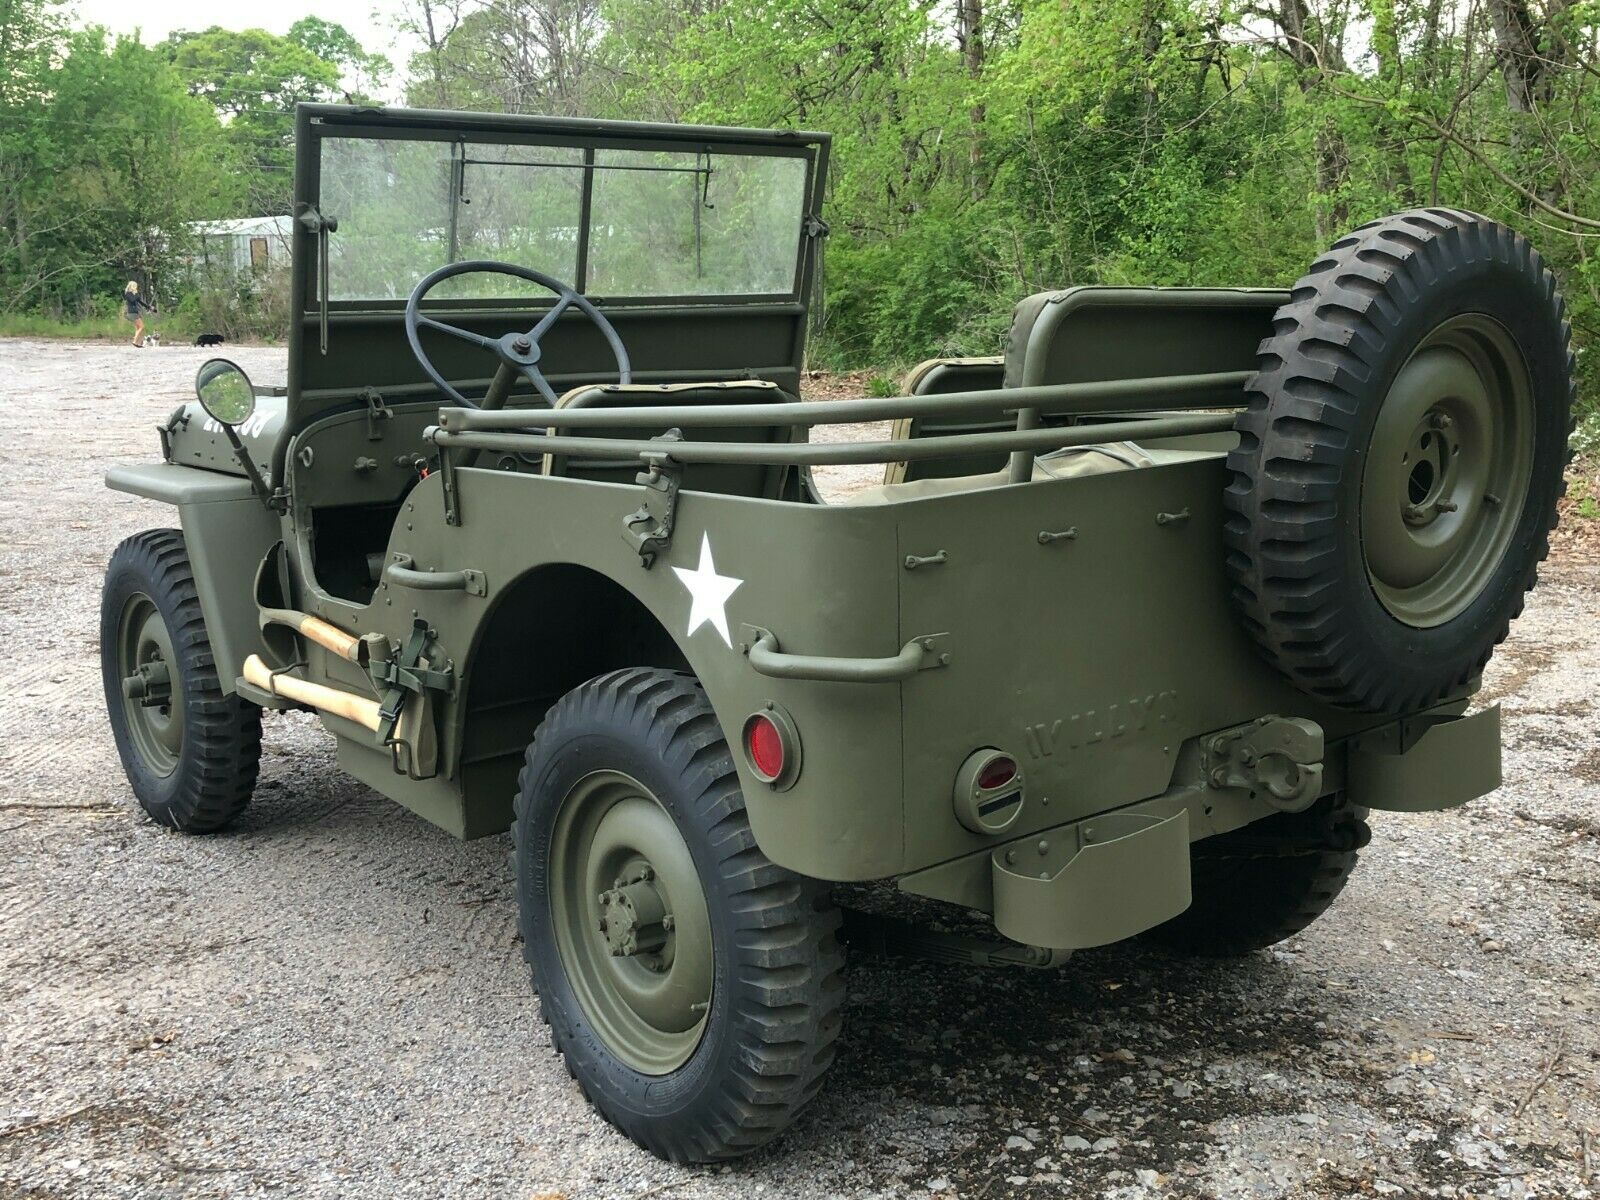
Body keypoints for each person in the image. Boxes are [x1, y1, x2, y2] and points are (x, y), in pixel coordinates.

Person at [123, 281, 155, 347]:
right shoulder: (128, 294)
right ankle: (134, 341)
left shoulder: (135, 294)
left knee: (138, 328)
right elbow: (132, 300)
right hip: (132, 313)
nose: (136, 287)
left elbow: (141, 302)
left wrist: (149, 307)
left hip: (135, 312)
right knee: (141, 326)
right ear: (132, 286)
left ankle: (136, 342)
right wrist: (136, 295)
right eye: (135, 286)